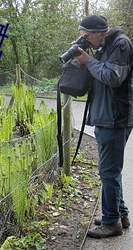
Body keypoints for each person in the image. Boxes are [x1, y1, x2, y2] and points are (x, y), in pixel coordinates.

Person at [75, 15, 133, 238]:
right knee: (110, 171)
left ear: (99, 32)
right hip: (105, 117)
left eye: (87, 37)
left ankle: (111, 223)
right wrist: (85, 59)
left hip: (115, 118)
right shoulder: (104, 46)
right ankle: (120, 214)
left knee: (108, 171)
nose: (86, 41)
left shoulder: (121, 44)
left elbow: (112, 77)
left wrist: (88, 61)